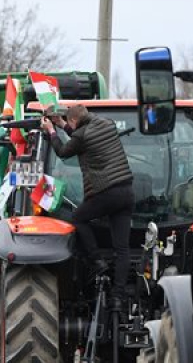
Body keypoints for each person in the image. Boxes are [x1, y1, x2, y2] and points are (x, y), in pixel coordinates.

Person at [41, 104, 135, 307]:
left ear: (74, 121)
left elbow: (64, 151)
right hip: (126, 192)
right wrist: (62, 124)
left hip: (106, 193)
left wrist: (51, 131)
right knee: (122, 249)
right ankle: (118, 296)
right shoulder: (107, 124)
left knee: (78, 218)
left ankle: (97, 261)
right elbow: (81, 135)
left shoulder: (80, 136)